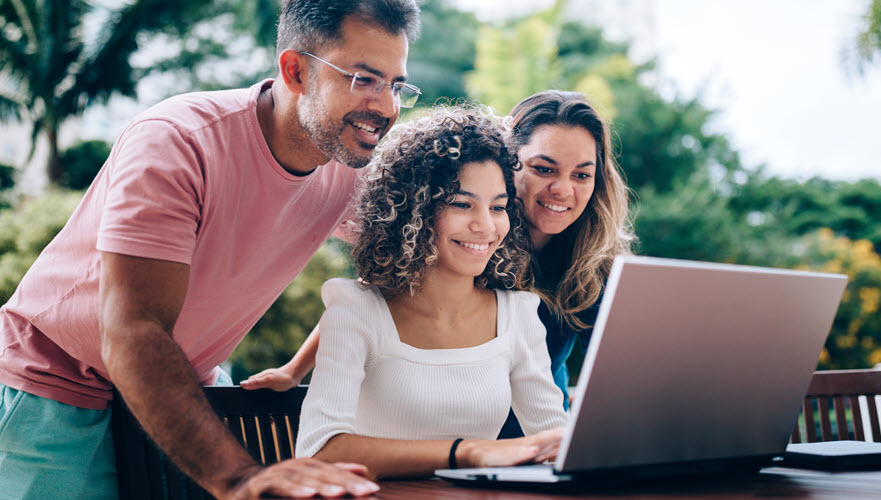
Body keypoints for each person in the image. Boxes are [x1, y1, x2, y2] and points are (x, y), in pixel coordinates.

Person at [0, 1, 421, 498]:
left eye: (396, 86)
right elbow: (135, 329)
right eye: (364, 79)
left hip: (180, 393)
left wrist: (297, 367)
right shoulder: (178, 140)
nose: (388, 107)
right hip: (53, 388)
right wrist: (240, 476)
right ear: (296, 70)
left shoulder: (347, 171)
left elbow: (411, 268)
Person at [242, 90, 634, 430]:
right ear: (508, 162)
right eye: (543, 169)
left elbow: (629, 368)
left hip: (533, 434)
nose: (563, 189)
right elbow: (370, 301)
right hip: (449, 432)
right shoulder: (466, 240)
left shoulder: (591, 262)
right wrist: (295, 370)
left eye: (582, 175)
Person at [295, 106, 568, 479]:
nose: (486, 226)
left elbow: (554, 441)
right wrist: (467, 453)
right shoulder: (357, 310)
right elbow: (319, 451)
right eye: (461, 204)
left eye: (499, 207)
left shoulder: (518, 315)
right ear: (413, 210)